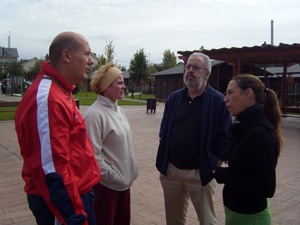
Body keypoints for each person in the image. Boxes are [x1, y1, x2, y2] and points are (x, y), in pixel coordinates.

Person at [14, 32, 101, 225]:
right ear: (67, 55)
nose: (91, 61)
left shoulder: (60, 91)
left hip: (77, 194)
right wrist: (75, 217)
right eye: (87, 54)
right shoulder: (48, 97)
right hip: (62, 204)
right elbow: (52, 169)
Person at [156, 52, 232, 225]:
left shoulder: (219, 101)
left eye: (196, 67)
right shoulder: (174, 99)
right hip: (171, 172)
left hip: (200, 173)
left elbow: (224, 138)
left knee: (207, 221)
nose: (190, 71)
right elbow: (164, 132)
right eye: (188, 66)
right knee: (174, 221)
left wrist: (213, 166)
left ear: (207, 73)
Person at [213, 74, 283, 225]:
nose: (225, 99)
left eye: (230, 93)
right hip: (237, 212)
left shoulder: (260, 133)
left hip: (251, 217)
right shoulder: (245, 127)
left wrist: (226, 175)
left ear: (248, 93)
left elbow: (267, 187)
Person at [84, 62, 138, 225]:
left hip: (123, 186)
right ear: (106, 86)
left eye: (124, 83)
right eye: (120, 83)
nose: (124, 87)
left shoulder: (118, 110)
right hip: (106, 189)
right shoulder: (94, 115)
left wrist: (128, 175)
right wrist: (115, 177)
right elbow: (93, 158)